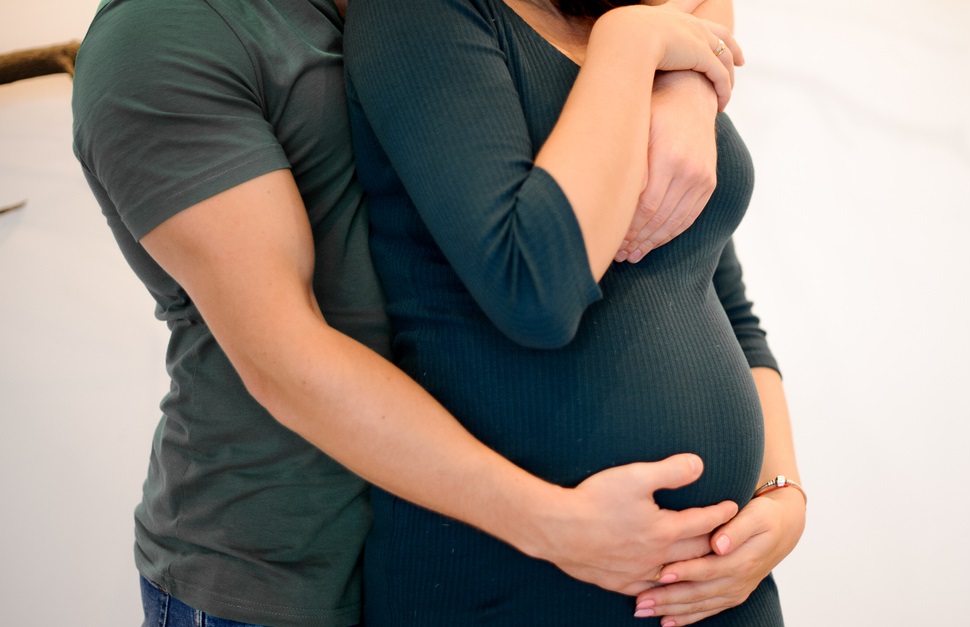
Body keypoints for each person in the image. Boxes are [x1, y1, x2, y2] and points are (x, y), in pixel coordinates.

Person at [69, 0, 784, 625]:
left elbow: (699, 266)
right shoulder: (161, 35)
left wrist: (688, 81)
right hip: (277, 567)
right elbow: (286, 360)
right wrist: (556, 525)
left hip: (468, 540)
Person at [344, 0, 807, 625]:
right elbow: (532, 288)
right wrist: (634, 42)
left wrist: (780, 497)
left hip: (719, 589)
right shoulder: (424, 14)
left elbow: (721, 297)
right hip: (512, 583)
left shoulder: (645, 29)